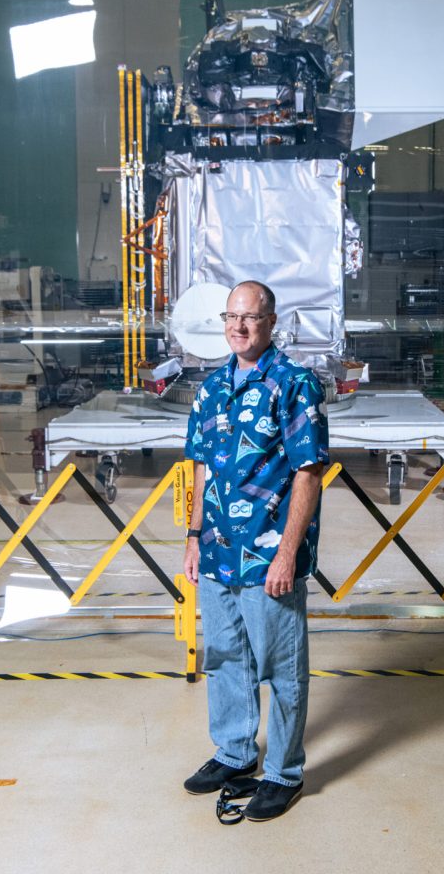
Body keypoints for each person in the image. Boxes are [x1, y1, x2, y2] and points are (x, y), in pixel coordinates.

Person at [183, 280, 329, 821]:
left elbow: (307, 474)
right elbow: (202, 468)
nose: (238, 327)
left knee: (281, 668)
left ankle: (284, 773)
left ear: (271, 323)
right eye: (231, 317)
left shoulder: (293, 384)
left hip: (269, 555)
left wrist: (289, 553)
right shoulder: (212, 387)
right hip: (218, 554)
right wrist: (194, 537)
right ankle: (235, 754)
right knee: (224, 660)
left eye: (250, 318)